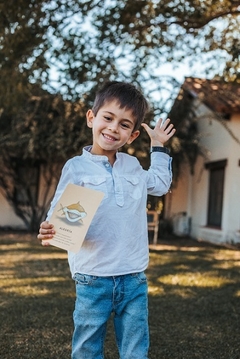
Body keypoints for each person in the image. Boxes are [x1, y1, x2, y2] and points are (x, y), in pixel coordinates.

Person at [37, 81, 176, 359]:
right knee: (87, 347)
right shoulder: (76, 167)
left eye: (124, 125)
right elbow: (58, 213)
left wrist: (158, 145)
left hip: (133, 275)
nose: (114, 128)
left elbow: (160, 184)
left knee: (135, 348)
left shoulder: (133, 167)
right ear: (92, 118)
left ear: (133, 135)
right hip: (92, 276)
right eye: (108, 118)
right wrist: (49, 228)